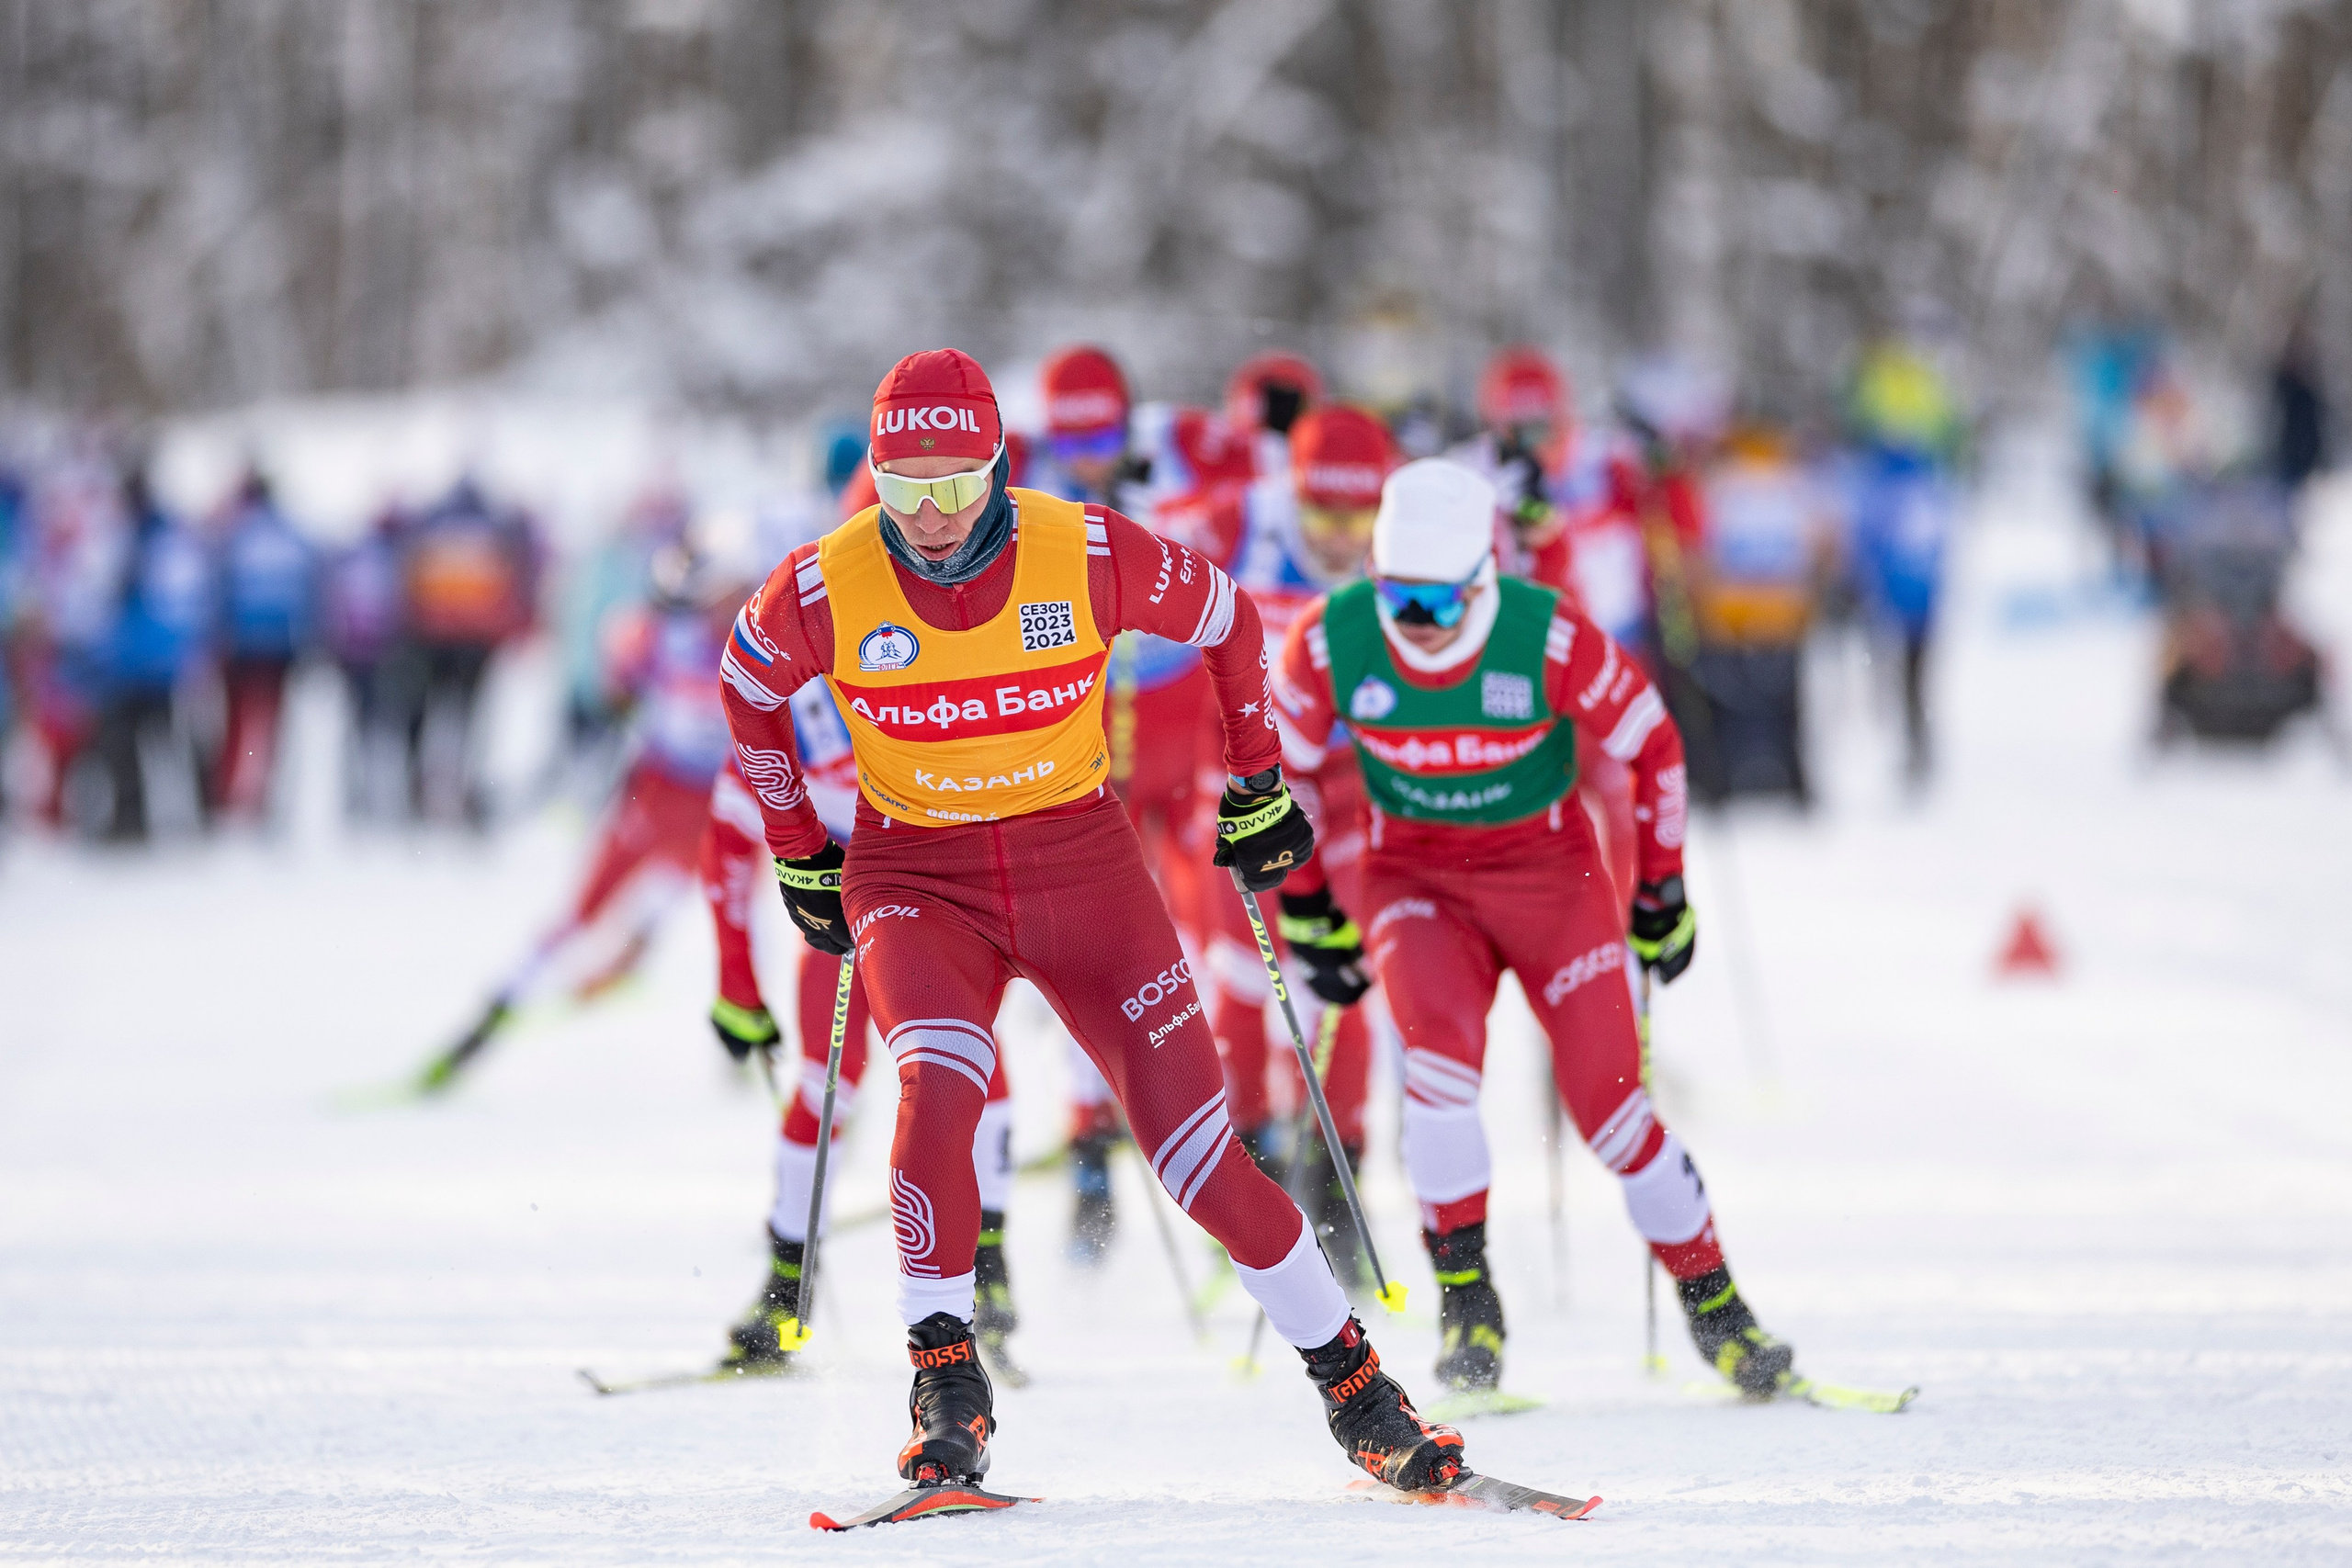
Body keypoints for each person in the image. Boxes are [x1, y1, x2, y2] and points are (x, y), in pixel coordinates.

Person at [719, 347, 1464, 1493]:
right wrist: (799, 850)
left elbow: (1225, 618)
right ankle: (946, 1379)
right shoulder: (826, 583)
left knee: (1200, 1156)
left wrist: (1256, 778)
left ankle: (1356, 1388)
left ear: (1000, 468)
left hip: (1082, 866)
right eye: (902, 485)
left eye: (957, 483)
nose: (928, 513)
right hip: (917, 873)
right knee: (939, 1086)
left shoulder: (1084, 551)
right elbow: (746, 683)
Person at [1271, 456, 1797, 1403]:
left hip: (1550, 882)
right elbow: (1283, 768)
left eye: (1436, 604)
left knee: (1610, 1107)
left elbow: (1654, 746)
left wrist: (1663, 890)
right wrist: (1309, 904)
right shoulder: (1331, 639)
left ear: (1483, 579)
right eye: (1394, 598)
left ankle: (1717, 1310)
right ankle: (1467, 1304)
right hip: (1416, 886)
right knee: (1435, 1076)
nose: (1413, 626)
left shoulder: (1544, 636)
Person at [701, 680, 1023, 1377]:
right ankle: (786, 1288)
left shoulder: (923, 671)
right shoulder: (778, 709)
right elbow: (726, 846)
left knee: (972, 1070)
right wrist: (736, 984)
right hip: (842, 904)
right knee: (825, 1082)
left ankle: (988, 1271)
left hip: (936, 895)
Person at [1160, 403, 1396, 1287]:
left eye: (1359, 517)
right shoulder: (1237, 523)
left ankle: (1339, 1183)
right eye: (1321, 516)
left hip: (1349, 783)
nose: (1340, 538)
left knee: (1342, 979)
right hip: (1248, 783)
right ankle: (1247, 1173)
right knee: (1239, 975)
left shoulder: (1405, 549)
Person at [416, 533, 743, 1092]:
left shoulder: (717, 635)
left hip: (707, 800)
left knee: (702, 909)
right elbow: (618, 688)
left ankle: (728, 1036)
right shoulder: (663, 633)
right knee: (593, 913)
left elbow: (622, 687)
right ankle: (495, 1016)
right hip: (665, 793)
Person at [1023, 344, 1216, 1263]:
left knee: (1206, 938)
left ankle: (1234, 1134)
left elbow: (1273, 446)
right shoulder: (1016, 467)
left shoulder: (1182, 445)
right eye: (1072, 439)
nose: (1087, 455)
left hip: (1183, 727)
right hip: (1090, 735)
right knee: (1088, 948)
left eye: (1102, 434)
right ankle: (1091, 1139)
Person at [208, 468, 316, 823]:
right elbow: (310, 588)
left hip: (243, 644)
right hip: (281, 644)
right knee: (272, 723)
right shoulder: (291, 534)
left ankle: (233, 792)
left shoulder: (235, 534)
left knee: (237, 722)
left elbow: (217, 588)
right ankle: (264, 792)